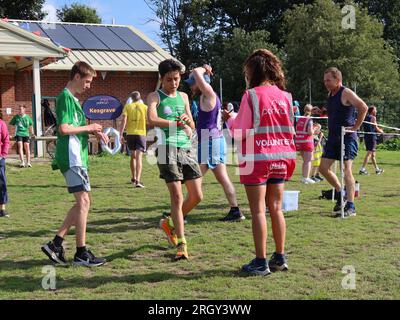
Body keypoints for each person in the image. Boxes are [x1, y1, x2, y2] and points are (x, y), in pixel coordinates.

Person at [223, 49, 296, 276]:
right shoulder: (286, 96)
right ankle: (280, 257)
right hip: (282, 157)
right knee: (276, 208)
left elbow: (241, 131)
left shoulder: (251, 95)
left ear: (252, 72)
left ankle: (260, 261)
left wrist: (231, 120)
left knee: (257, 211)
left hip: (257, 158)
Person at [41, 61, 109, 267]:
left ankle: (56, 244)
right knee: (84, 202)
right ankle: (81, 252)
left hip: (77, 157)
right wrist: (90, 128)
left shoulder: (73, 100)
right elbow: (63, 129)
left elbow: (74, 127)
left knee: (83, 202)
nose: (88, 86)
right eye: (87, 81)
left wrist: (94, 131)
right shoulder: (65, 98)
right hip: (71, 158)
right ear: (77, 77)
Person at [147, 59, 203, 261]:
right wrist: (176, 124)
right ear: (161, 79)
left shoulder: (184, 97)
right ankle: (181, 243)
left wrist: (188, 123)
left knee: (197, 196)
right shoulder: (155, 96)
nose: (174, 83)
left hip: (186, 148)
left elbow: (192, 123)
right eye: (169, 79)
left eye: (177, 79)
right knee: (178, 197)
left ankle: (169, 222)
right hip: (166, 148)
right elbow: (151, 119)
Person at [185, 65, 244, 222]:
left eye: (192, 82)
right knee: (220, 177)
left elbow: (197, 72)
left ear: (201, 82)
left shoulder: (208, 93)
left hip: (211, 142)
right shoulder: (207, 96)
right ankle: (235, 210)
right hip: (212, 141)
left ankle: (181, 212)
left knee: (195, 176)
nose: (190, 85)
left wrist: (204, 68)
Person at [319, 67, 368, 218]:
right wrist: (321, 113)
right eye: (325, 80)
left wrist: (355, 127)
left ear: (337, 80)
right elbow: (336, 112)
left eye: (329, 80)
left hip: (346, 137)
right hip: (333, 137)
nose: (326, 83)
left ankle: (351, 206)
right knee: (323, 168)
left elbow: (363, 107)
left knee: (346, 170)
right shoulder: (331, 94)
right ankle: (341, 192)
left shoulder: (345, 92)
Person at [119, 91, 148, 188]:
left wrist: (121, 133)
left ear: (131, 98)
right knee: (139, 157)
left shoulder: (128, 107)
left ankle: (133, 177)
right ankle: (138, 181)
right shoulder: (145, 107)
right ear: (140, 98)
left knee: (133, 156)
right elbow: (148, 120)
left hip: (130, 133)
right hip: (141, 133)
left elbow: (124, 120)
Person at [359, 106, 384, 175]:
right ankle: (362, 169)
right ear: (372, 110)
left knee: (372, 155)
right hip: (372, 137)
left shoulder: (365, 117)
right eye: (375, 110)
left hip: (367, 137)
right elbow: (376, 128)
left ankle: (377, 169)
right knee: (370, 153)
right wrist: (381, 131)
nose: (376, 111)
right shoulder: (373, 118)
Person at [295, 104, 316, 184]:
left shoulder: (300, 118)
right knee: (308, 161)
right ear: (311, 111)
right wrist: (315, 129)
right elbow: (310, 132)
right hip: (307, 142)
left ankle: (304, 177)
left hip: (299, 141)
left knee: (305, 161)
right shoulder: (309, 120)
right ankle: (306, 178)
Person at [0, 111, 10, 218]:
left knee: (1, 184)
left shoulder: (1, 124)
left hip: (0, 159)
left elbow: (6, 139)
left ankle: (2, 209)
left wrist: (3, 154)